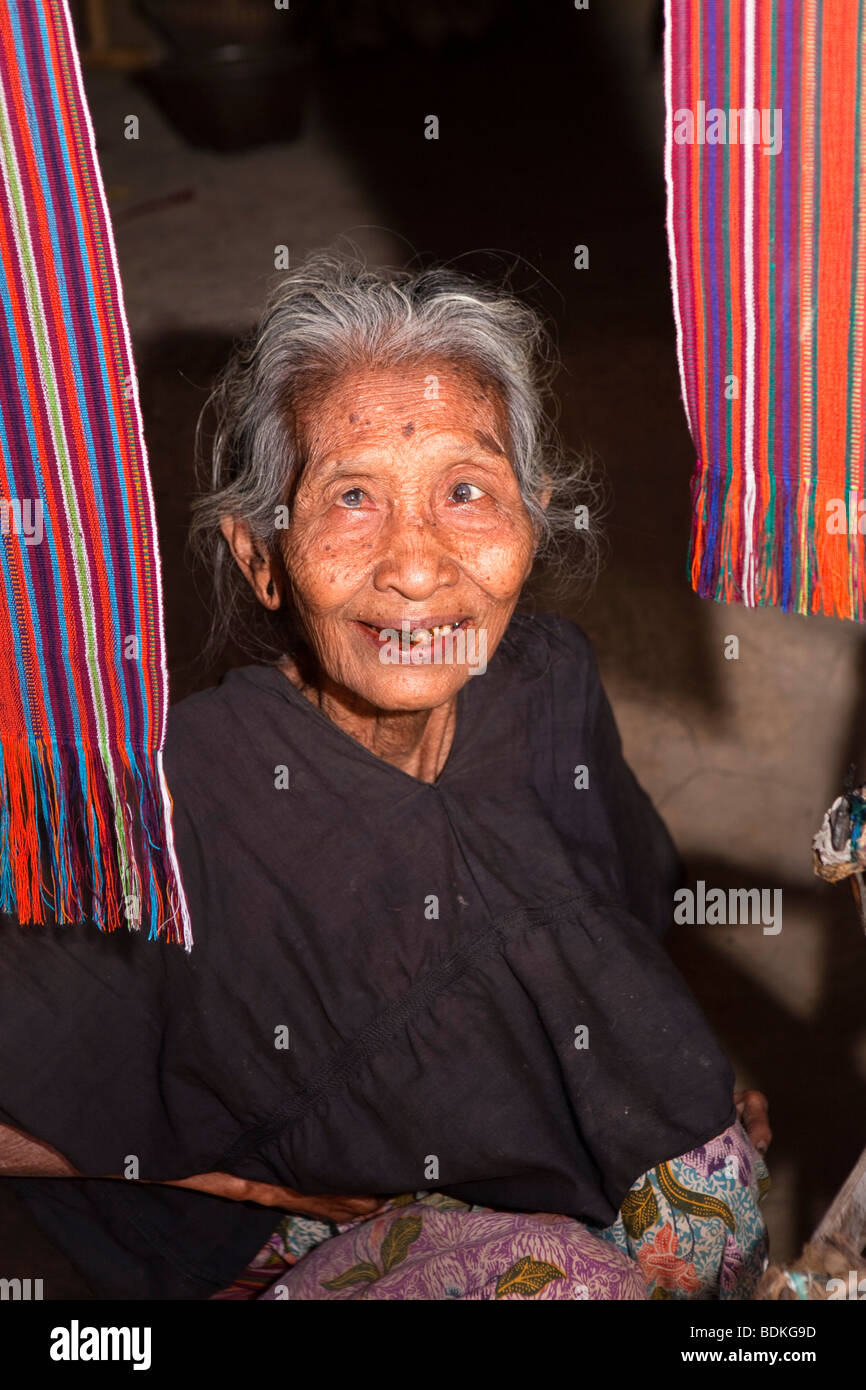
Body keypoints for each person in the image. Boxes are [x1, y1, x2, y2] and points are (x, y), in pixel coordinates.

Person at [0, 253, 770, 1300]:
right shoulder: (180, 801)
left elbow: (617, 921)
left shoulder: (546, 687)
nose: (414, 564)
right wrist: (270, 1182)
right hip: (225, 1252)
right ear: (262, 555)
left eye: (465, 489)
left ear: (532, 520)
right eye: (352, 497)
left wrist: (685, 1054)